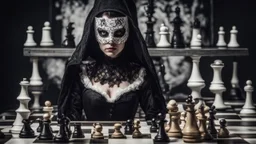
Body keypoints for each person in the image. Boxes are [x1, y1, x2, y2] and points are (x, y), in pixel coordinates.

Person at [57, 0, 167, 121]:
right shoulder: (82, 73)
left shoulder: (140, 74)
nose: (110, 41)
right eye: (103, 33)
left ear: (129, 33)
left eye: (119, 32)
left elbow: (156, 118)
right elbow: (70, 121)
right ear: (94, 33)